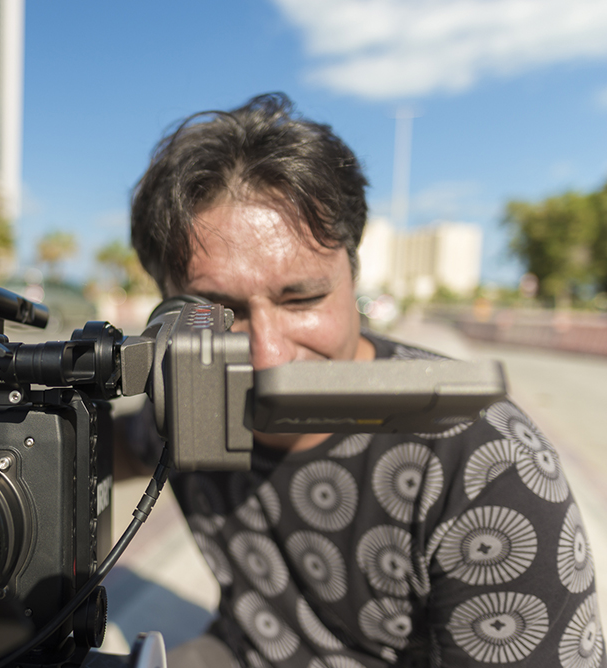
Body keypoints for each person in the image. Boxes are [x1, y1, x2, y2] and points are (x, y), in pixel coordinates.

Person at [122, 92, 604, 668]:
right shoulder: (191, 406)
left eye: (303, 298)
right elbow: (108, 444)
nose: (270, 356)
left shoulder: (484, 460)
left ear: (354, 276)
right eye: (219, 315)